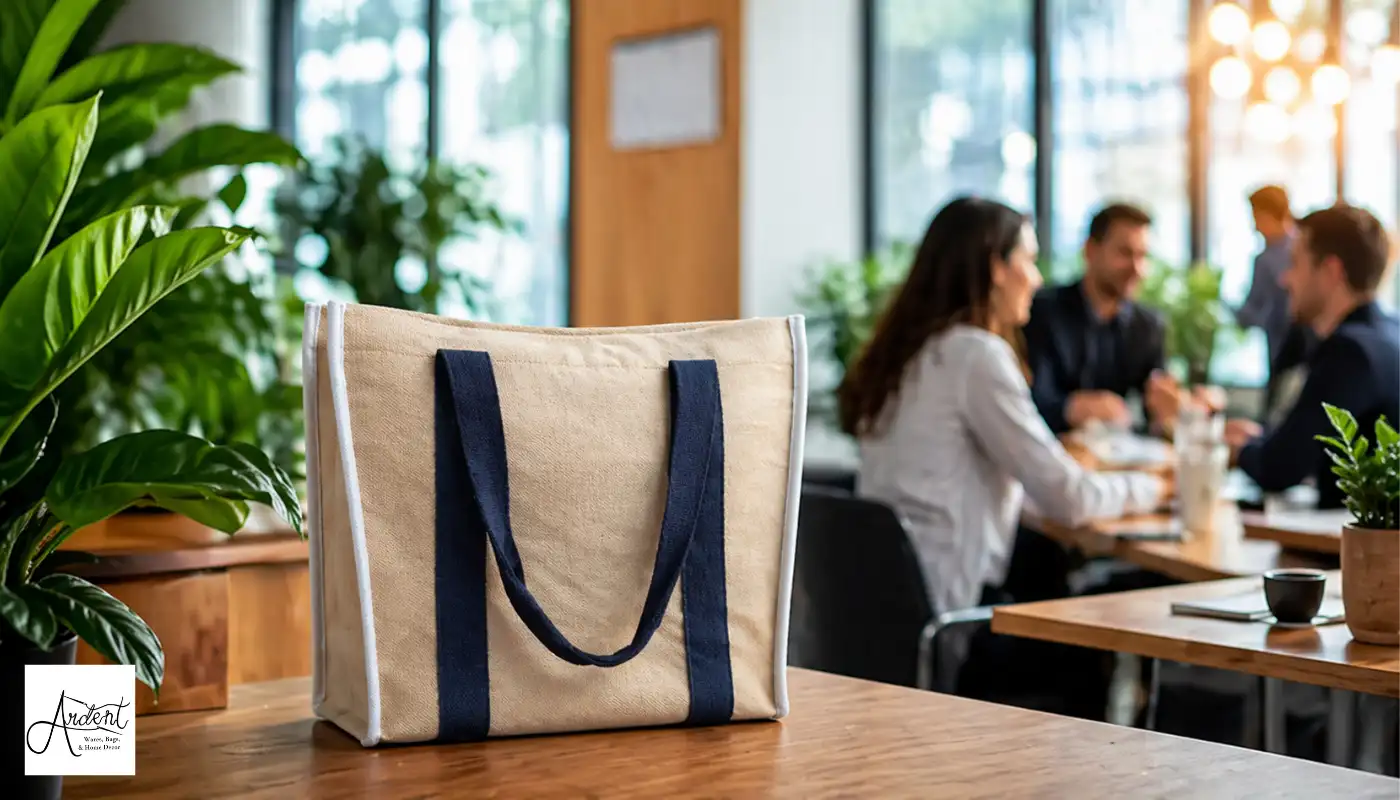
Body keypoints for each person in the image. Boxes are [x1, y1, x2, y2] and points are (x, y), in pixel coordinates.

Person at [843, 197, 1168, 618]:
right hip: (951, 613)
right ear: (997, 267)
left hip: (886, 609)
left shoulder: (911, 352)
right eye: (1029, 261)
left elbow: (997, 483)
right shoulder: (975, 355)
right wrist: (1157, 486)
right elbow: (1069, 498)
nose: (1035, 279)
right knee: (1102, 618)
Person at [1225, 204, 1400, 509]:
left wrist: (1235, 447)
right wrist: (1262, 441)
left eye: (1295, 263)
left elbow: (1279, 467)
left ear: (1331, 271)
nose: (1284, 279)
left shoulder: (1350, 351)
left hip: (1355, 550)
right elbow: (1303, 443)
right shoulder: (1389, 332)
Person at [1022, 203, 1186, 434]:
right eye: (1125, 253)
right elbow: (1029, 403)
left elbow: (1155, 415)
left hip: (1118, 458)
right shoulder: (1041, 312)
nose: (1137, 268)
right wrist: (1073, 408)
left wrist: (1170, 408)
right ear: (1090, 251)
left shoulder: (1148, 326)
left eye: (1143, 255)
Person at [1235, 185, 1316, 417]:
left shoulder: (1269, 260)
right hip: (1291, 354)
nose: (1254, 225)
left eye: (1256, 216)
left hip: (1289, 355)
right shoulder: (1300, 246)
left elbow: (1254, 312)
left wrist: (1229, 310)